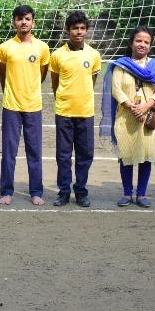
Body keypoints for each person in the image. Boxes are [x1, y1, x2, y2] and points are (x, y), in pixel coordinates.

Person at [102, 26, 155, 208]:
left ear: (150, 45)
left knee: (146, 156)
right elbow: (116, 89)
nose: (142, 44)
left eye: (146, 42)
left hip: (149, 118)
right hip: (126, 117)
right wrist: (131, 106)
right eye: (138, 41)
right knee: (126, 154)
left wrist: (146, 106)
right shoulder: (121, 65)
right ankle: (126, 193)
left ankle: (141, 194)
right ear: (131, 43)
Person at [0, 4, 50, 206]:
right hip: (11, 106)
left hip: (33, 106)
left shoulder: (42, 48)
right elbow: (3, 74)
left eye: (27, 18)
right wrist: (11, 90)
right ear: (14, 22)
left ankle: (36, 191)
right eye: (19, 19)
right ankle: (6, 190)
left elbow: (42, 73)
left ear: (33, 22)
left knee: (34, 151)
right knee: (9, 152)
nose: (23, 22)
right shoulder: (5, 48)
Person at [50, 11, 101, 207]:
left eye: (82, 28)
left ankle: (81, 191)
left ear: (86, 31)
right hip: (64, 112)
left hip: (86, 112)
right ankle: (63, 191)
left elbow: (92, 79)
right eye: (74, 28)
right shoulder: (58, 55)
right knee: (63, 155)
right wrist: (63, 98)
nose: (78, 32)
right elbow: (55, 83)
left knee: (85, 154)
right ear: (68, 30)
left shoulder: (94, 55)